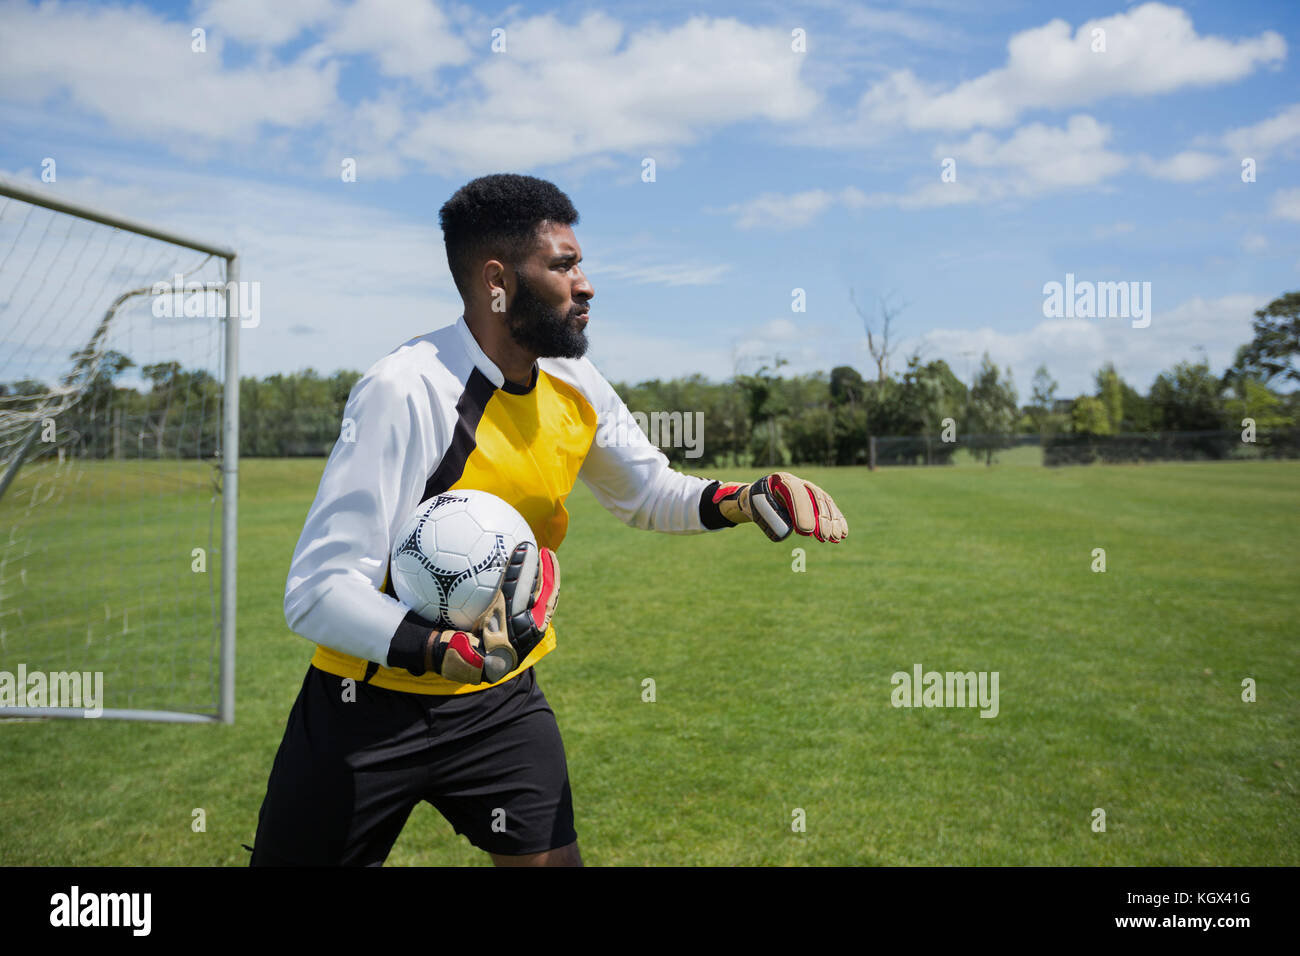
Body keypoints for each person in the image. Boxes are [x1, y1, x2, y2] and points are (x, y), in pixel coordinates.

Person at [248, 173, 848, 867]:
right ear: (497, 281)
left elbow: (648, 492)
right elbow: (319, 589)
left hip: (501, 700)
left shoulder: (576, 384)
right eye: (564, 265)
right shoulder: (406, 389)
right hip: (366, 706)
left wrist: (748, 498)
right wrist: (444, 651)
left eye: (581, 263)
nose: (585, 284)